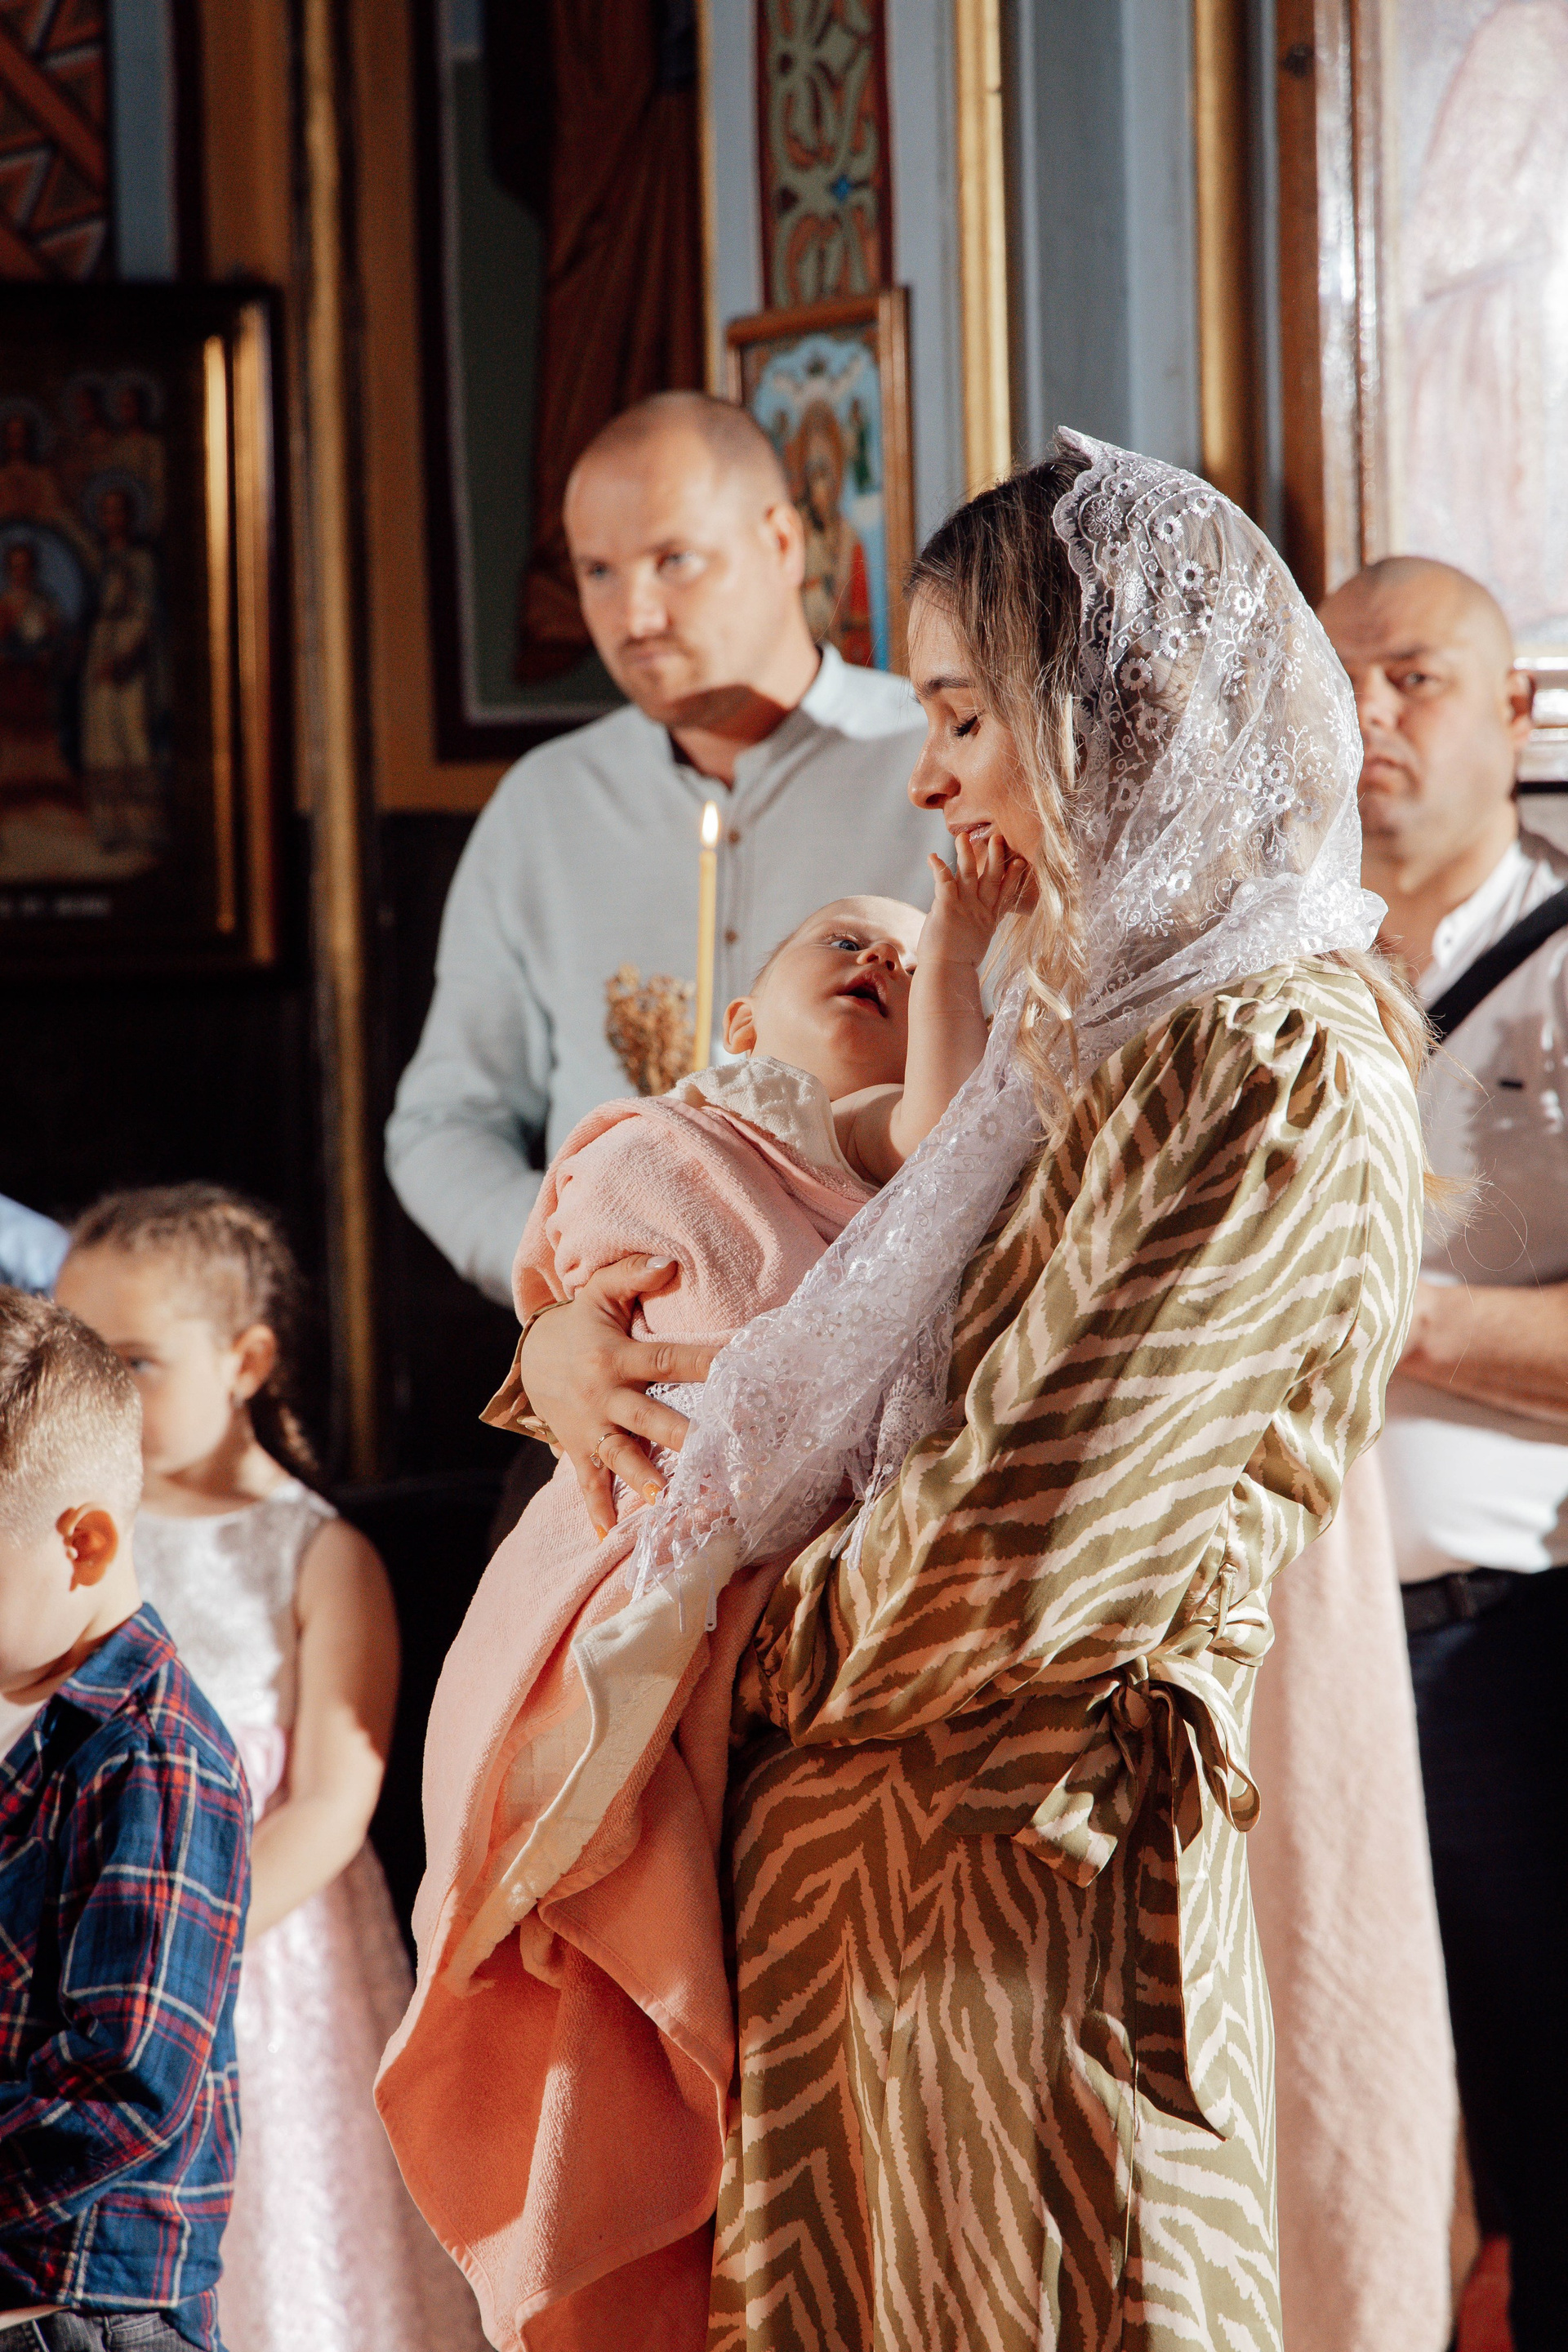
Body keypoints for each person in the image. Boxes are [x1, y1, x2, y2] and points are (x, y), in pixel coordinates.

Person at [405, 435, 1430, 2349]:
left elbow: (1025, 1553)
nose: (929, 776)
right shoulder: (1083, 1033)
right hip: (853, 1931)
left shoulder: (1267, 1064)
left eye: (966, 716)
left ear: (1114, 705)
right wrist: (574, 1351)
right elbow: (802, 1293)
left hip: (1022, 1930)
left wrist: (703, 1632)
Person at [377, 858, 1024, 2341]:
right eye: (846, 939)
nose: (882, 961)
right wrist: (556, 1330)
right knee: (538, 1763)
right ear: (738, 1021)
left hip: (761, 1552)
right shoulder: (682, 1131)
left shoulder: (872, 1146)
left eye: (910, 963)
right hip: (625, 1505)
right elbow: (589, 1268)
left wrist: (959, 959)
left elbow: (940, 1140)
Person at [385, 390, 946, 1307]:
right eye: (598, 571)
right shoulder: (545, 806)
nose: (635, 615)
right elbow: (445, 1123)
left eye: (674, 561)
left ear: (783, 542)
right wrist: (570, 1281)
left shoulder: (935, 766)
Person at [53, 1188, 487, 2352]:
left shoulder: (316, 1555)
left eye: (133, 1363)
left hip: (259, 1963)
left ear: (244, 1361)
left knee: (282, 2261)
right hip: (79, 1959)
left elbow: (334, 1807)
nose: (98, 1392)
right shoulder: (69, 1542)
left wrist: (180, 1950)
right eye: (77, 1357)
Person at [1319, 553, 1561, 2352]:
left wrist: (1392, 1318)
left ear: (1516, 710)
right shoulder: (1270, 970)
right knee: (1347, 2154)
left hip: (1507, 1652)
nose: (1368, 716)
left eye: (1413, 677)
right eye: (1338, 679)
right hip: (1279, 1658)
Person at [0, 1287, 250, 2351]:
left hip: (88, 2314)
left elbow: (127, 2079)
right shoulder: (36, 1712)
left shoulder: (152, 1753)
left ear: (84, 1544)